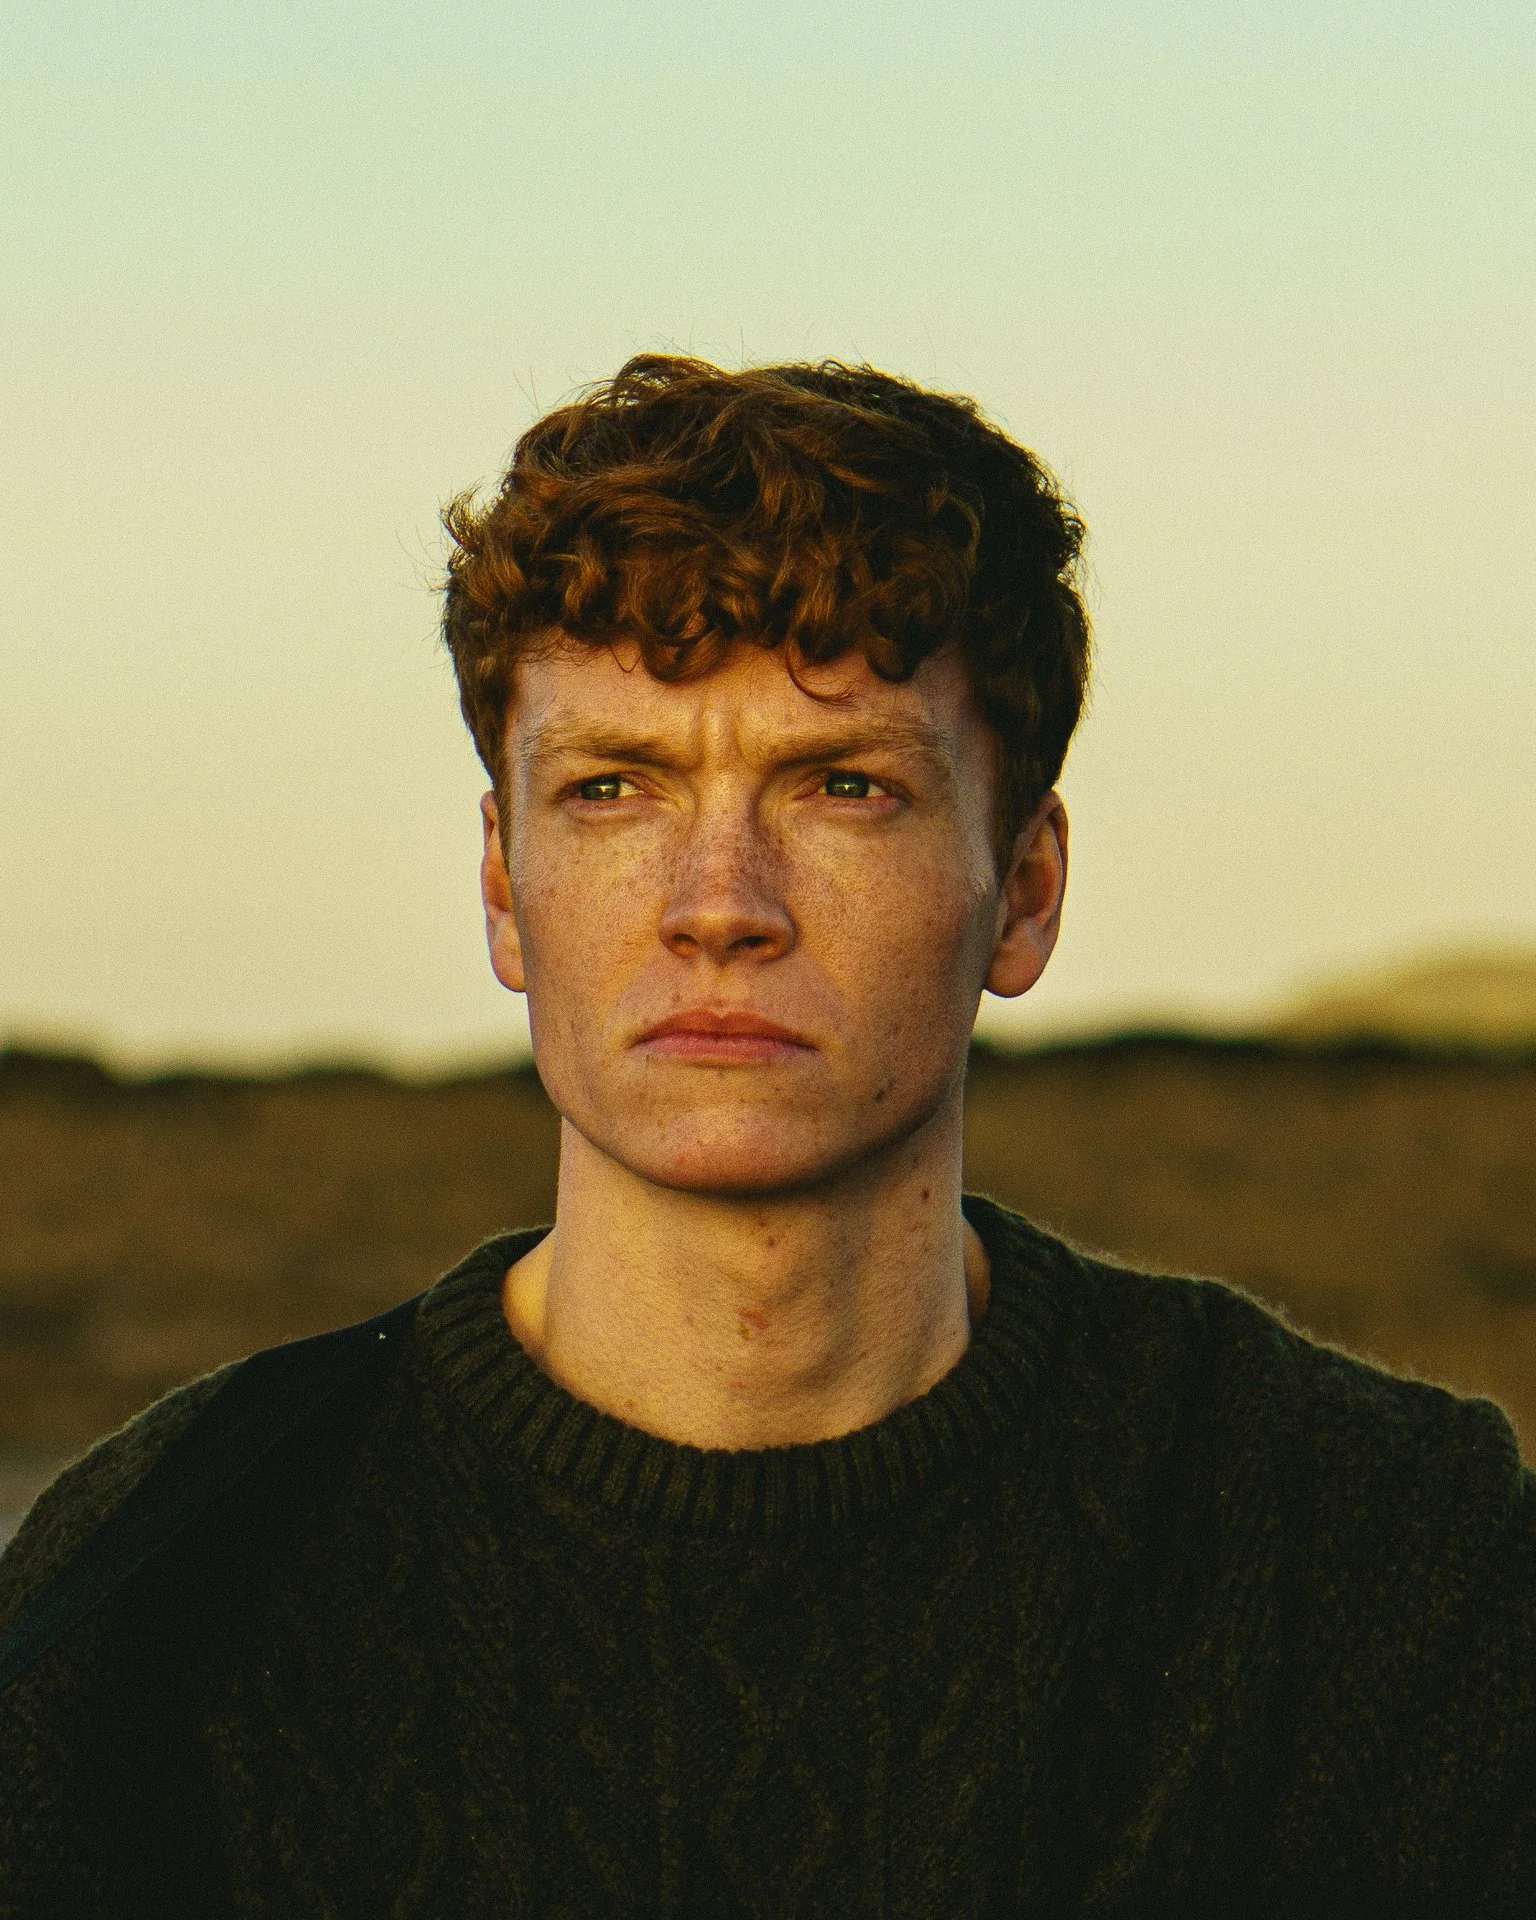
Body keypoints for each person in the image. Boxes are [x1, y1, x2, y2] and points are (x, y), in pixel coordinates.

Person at [0, 356, 1531, 1918]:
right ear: (501, 886)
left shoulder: (1382, 1558)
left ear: (1027, 887)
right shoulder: (152, 1583)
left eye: (844, 786)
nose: (718, 902)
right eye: (612, 789)